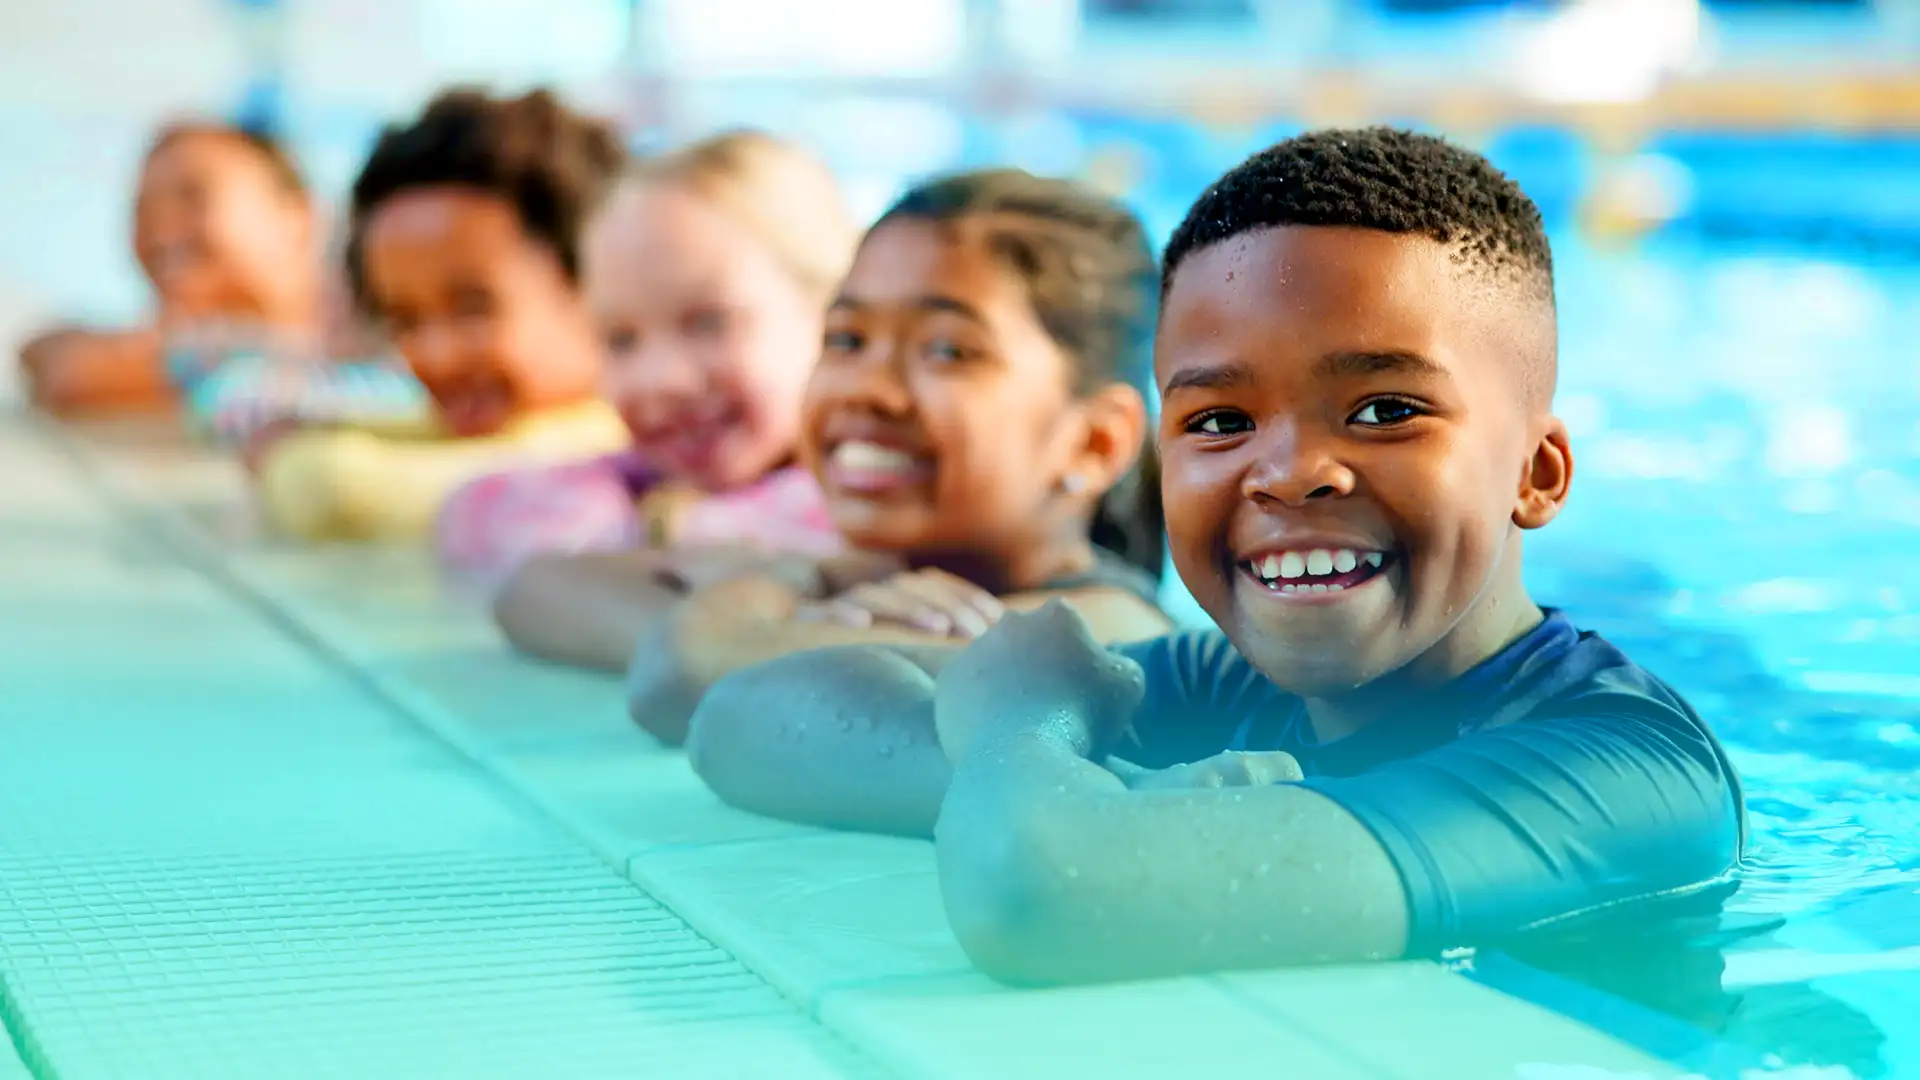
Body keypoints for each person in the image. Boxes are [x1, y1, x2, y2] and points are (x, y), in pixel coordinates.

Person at [687, 129, 1746, 984]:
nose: (1287, 474)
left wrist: (1026, 734)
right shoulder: (1226, 689)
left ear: (1538, 473)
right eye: (1220, 419)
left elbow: (1045, 894)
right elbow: (736, 723)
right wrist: (1109, 785)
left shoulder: (1628, 773)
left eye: (1385, 410)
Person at [616, 169, 1173, 745]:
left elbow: (684, 669)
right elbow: (534, 588)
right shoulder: (864, 586)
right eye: (847, 339)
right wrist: (808, 579)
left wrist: (782, 589)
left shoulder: (1105, 632)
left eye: (947, 350)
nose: (867, 388)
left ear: (1094, 442)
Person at [448, 130, 858, 611]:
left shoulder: (874, 505)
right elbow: (468, 513)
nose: (661, 379)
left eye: (710, 322)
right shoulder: (632, 488)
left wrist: (670, 531)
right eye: (621, 340)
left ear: (834, 314)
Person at [249, 89, 632, 541]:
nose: (437, 355)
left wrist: (285, 456)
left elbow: (338, 492)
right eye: (404, 320)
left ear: (598, 284)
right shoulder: (493, 430)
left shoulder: (614, 455)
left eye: (474, 310)